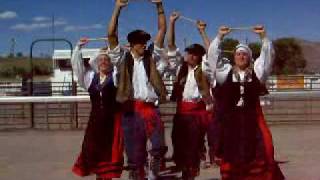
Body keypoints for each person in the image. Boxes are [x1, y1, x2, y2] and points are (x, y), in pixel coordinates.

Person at [207, 25, 285, 180]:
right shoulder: (225, 73)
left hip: (253, 120)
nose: (241, 56)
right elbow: (213, 59)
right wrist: (219, 37)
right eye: (238, 54)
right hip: (232, 122)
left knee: (265, 149)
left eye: (244, 54)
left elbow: (267, 58)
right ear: (234, 57)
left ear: (249, 57)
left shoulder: (257, 73)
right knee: (232, 157)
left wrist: (263, 37)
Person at [107, 0, 168, 179]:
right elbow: (111, 34)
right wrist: (117, 8)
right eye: (140, 42)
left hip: (150, 108)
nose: (143, 44)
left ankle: (152, 172)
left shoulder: (151, 57)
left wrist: (159, 6)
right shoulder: (121, 59)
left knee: (158, 147)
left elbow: (162, 31)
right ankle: (138, 174)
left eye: (144, 41)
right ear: (132, 44)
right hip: (130, 110)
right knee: (134, 155)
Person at [167, 12, 215, 180]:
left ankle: (190, 173)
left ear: (200, 56)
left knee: (192, 147)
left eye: (195, 54)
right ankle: (187, 169)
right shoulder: (179, 68)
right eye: (190, 53)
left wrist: (202, 32)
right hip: (181, 112)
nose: (191, 56)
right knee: (178, 144)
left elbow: (212, 53)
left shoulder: (205, 70)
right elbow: (171, 45)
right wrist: (171, 23)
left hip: (197, 113)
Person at [71, 38, 123, 180]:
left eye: (106, 60)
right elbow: (77, 68)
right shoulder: (89, 78)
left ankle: (106, 177)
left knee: (109, 154)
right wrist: (78, 47)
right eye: (101, 60)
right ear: (97, 63)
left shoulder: (115, 76)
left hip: (111, 122)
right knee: (92, 151)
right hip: (95, 122)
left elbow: (121, 63)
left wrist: (117, 48)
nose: (104, 62)